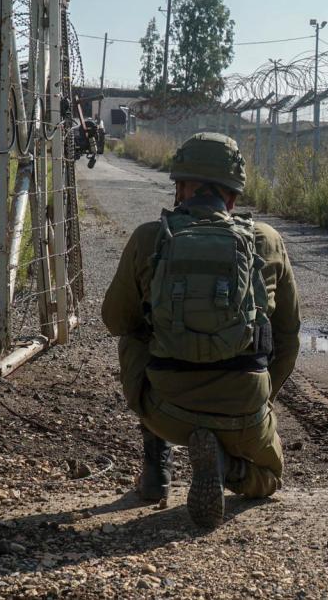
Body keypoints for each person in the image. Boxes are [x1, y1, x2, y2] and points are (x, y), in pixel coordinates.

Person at [101, 132, 300, 528]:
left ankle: (156, 471)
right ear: (233, 196)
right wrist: (261, 401)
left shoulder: (150, 238)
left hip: (167, 411)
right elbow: (288, 339)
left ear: (181, 188)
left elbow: (115, 320)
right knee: (271, 477)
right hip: (244, 413)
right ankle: (229, 467)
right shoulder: (268, 241)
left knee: (135, 332)